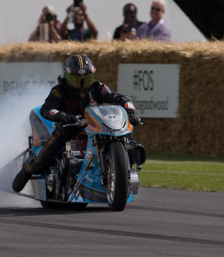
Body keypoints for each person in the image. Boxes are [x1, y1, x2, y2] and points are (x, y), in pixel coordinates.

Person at [11, 54, 142, 192]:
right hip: (68, 127)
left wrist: (131, 111)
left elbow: (119, 97)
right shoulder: (59, 91)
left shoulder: (97, 87)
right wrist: (64, 116)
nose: (82, 84)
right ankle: (27, 171)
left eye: (86, 79)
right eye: (76, 80)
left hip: (95, 125)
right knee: (45, 156)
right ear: (67, 76)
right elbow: (47, 110)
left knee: (125, 139)